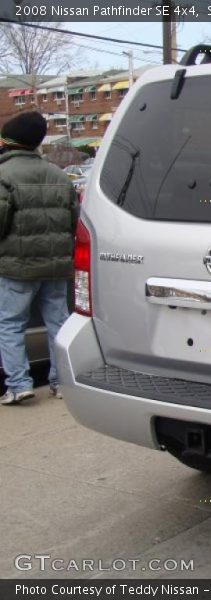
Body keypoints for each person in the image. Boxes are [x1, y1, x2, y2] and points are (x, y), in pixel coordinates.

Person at [0, 112, 79, 405]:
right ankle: (60, 382)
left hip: (16, 267)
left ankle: (19, 385)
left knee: (10, 324)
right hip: (57, 266)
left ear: (8, 143)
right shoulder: (60, 176)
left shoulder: (4, 176)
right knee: (58, 322)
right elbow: (74, 221)